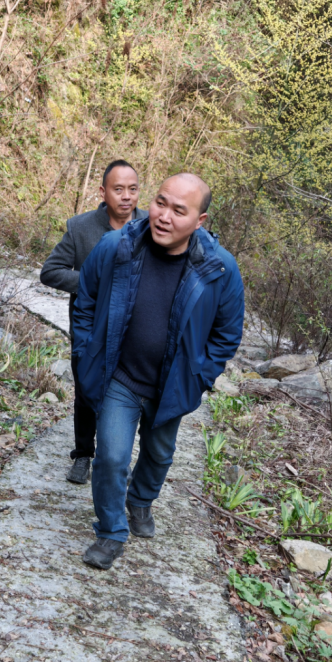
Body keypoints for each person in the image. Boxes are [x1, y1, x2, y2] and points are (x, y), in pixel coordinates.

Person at [72, 173, 244, 569]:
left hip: (172, 383)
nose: (164, 216)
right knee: (111, 456)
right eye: (160, 203)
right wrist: (84, 352)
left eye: (179, 211)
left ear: (200, 221)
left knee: (159, 453)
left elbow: (227, 334)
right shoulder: (117, 246)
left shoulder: (220, 268)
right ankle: (111, 531)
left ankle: (140, 500)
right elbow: (86, 301)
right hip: (120, 377)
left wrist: (200, 376)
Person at [40, 160, 146, 484]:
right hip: (90, 326)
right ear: (103, 192)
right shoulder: (81, 227)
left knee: (133, 393)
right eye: (118, 189)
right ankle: (84, 454)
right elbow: (50, 272)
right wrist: (93, 282)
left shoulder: (152, 227)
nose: (126, 196)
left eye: (132, 189)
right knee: (87, 390)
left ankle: (123, 459)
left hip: (135, 329)